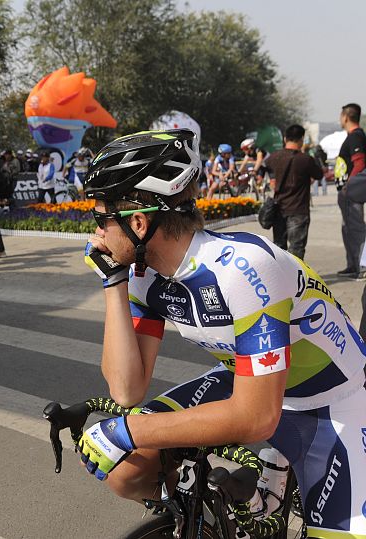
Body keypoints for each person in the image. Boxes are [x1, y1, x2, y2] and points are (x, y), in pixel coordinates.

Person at [55, 129, 366, 538]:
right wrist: (113, 284)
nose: (95, 232)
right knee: (127, 470)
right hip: (250, 382)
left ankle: (277, 472)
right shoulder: (143, 277)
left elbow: (256, 417)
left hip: (329, 402)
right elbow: (126, 389)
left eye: (100, 217)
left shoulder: (243, 269)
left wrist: (128, 429)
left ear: (138, 221)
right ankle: (236, 509)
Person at [263, 124, 322, 259]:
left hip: (279, 209)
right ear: (301, 139)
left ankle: (281, 277)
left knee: (279, 248)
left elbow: (266, 171)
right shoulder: (305, 159)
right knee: (296, 248)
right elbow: (319, 174)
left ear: (285, 139)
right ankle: (296, 278)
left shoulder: (273, 157)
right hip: (298, 210)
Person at [334, 103, 366, 277]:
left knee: (356, 229)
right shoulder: (354, 136)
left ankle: (362, 267)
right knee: (348, 229)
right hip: (349, 192)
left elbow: (359, 162)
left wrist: (349, 185)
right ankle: (354, 265)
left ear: (345, 117)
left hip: (352, 192)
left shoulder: (355, 137)